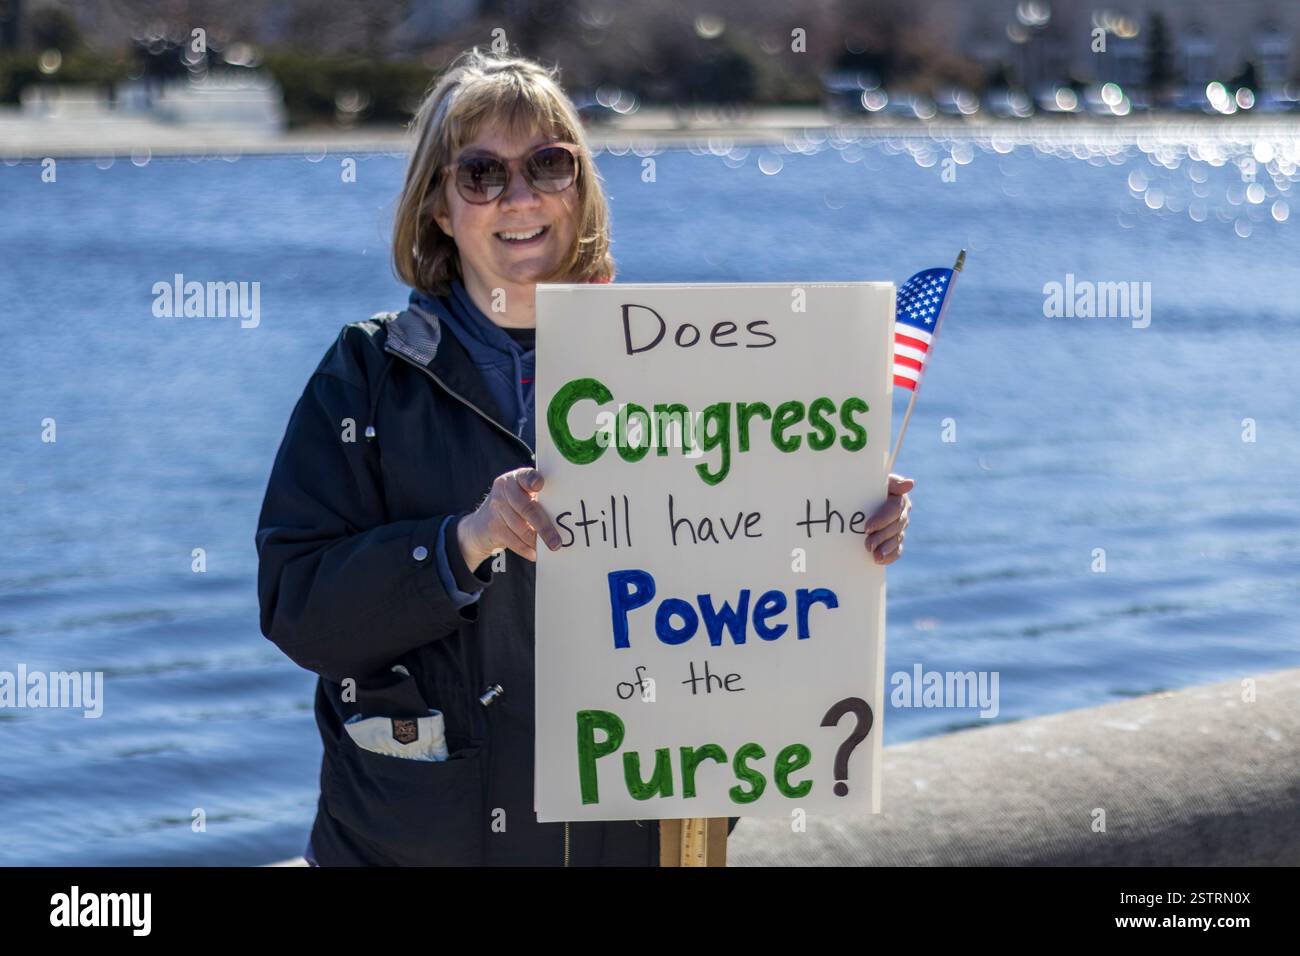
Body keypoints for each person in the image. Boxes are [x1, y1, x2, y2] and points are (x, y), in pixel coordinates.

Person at [255, 47, 915, 867]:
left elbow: (740, 589)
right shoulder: (368, 374)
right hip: (418, 841)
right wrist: (459, 544)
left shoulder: (684, 370)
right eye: (481, 175)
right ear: (436, 206)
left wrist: (835, 523)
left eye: (547, 164)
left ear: (580, 186)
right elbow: (298, 607)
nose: (520, 196)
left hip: (625, 839)